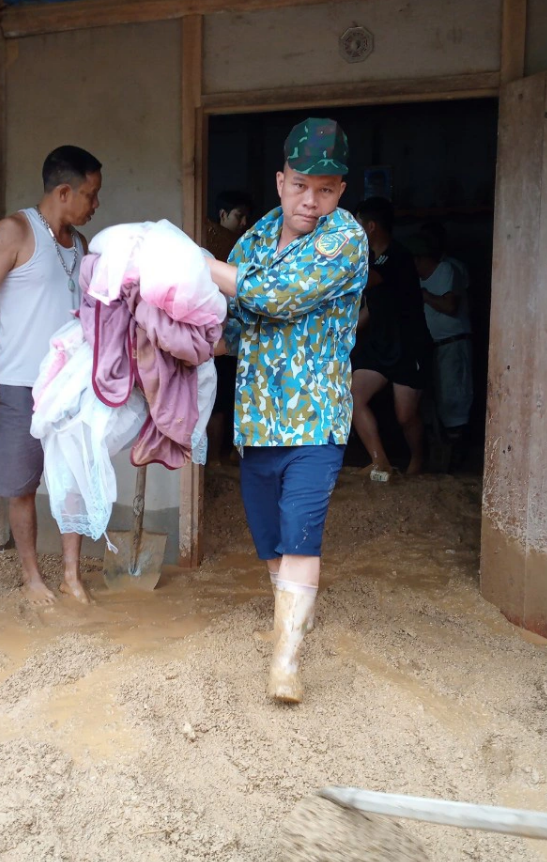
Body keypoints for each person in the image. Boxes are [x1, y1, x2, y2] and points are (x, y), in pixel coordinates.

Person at [205, 117, 367, 704]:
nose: (311, 200)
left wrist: (193, 261)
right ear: (280, 180)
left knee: (301, 538)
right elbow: (236, 328)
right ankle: (291, 621)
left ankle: (286, 663)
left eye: (326, 189)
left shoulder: (343, 238)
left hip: (315, 421)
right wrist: (167, 341)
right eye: (301, 185)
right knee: (271, 543)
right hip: (257, 421)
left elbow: (274, 296)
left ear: (342, 190)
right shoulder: (252, 242)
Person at [0, 146, 102, 606]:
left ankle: (71, 575)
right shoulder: (15, 231)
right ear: (64, 192)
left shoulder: (79, 245)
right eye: (90, 195)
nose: (94, 205)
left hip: (69, 383)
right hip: (20, 381)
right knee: (23, 486)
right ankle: (31, 576)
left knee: (74, 478)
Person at [350, 198, 436, 480]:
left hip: (409, 345)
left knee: (405, 416)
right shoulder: (373, 258)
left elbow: (368, 281)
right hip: (380, 344)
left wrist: (329, 261)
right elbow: (371, 309)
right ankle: (380, 462)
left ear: (371, 226)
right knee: (352, 396)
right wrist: (344, 332)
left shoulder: (396, 256)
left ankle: (419, 459)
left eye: (357, 224)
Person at [203, 190, 253, 466]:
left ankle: (222, 458)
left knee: (226, 399)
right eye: (238, 215)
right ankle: (213, 462)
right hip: (214, 328)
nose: (243, 221)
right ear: (222, 215)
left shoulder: (245, 245)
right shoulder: (207, 241)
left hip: (236, 330)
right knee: (216, 400)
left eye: (246, 216)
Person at [417, 225, 473, 438]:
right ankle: (443, 449)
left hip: (453, 342)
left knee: (455, 398)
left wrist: (424, 295)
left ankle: (458, 451)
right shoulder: (421, 276)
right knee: (437, 399)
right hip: (433, 346)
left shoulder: (450, 269)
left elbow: (451, 307)